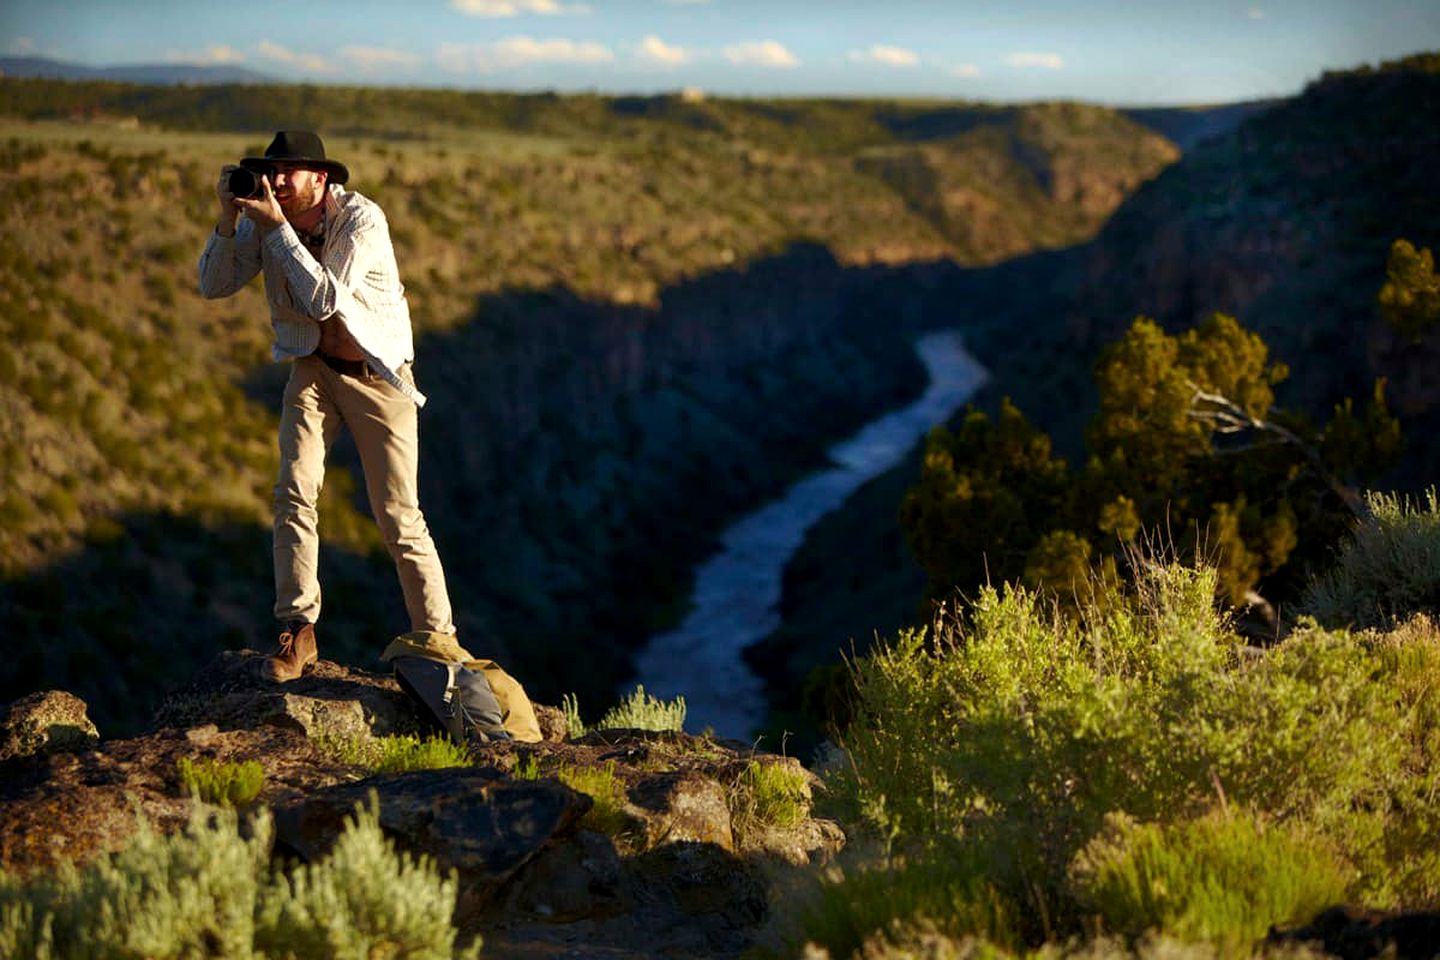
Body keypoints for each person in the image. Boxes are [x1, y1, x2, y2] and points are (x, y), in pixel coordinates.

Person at [198, 130, 455, 681]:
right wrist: (227, 218)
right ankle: (297, 630)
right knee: (294, 490)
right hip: (313, 367)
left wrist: (274, 229)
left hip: (376, 377)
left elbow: (324, 298)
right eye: (273, 171)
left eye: (292, 171)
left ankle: (439, 642)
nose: (279, 181)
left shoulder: (361, 220)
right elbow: (214, 284)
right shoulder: (267, 217)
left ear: (322, 177)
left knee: (398, 515)